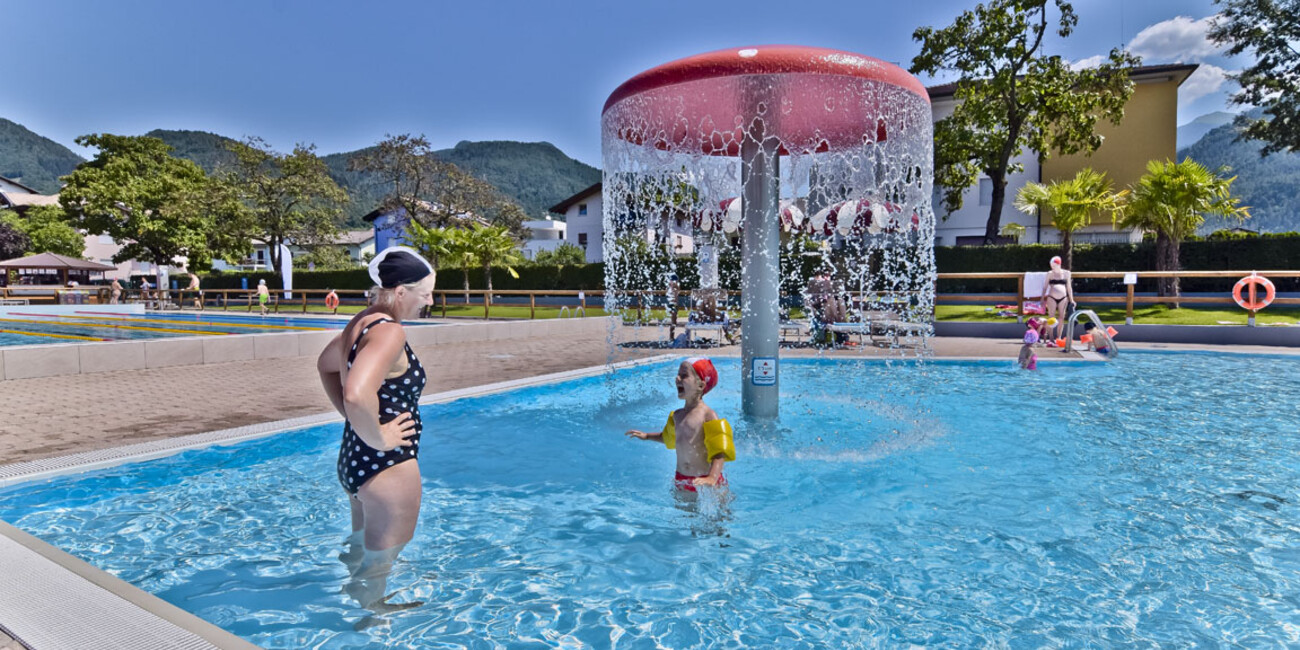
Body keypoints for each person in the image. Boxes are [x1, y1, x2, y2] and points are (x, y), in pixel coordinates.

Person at [316, 246, 435, 609]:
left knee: (362, 552)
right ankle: (372, 621)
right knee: (381, 561)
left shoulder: (361, 321)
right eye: (425, 292)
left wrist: (358, 425)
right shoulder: (390, 332)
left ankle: (357, 600)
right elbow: (355, 393)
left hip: (354, 460)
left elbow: (326, 366)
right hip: (386, 466)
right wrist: (379, 435)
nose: (429, 300)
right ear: (401, 292)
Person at [626, 357, 736, 491]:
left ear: (700, 385)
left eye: (684, 375)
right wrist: (647, 436)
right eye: (678, 375)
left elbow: (720, 452)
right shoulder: (677, 416)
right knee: (685, 512)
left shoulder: (708, 415)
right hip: (682, 479)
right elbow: (668, 438)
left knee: (721, 512)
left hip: (705, 478)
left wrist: (712, 477)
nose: (677, 378)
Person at [1044, 256, 1074, 343]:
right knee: (1051, 317)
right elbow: (1045, 287)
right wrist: (1042, 298)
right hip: (1051, 297)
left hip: (1063, 297)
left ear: (1058, 264)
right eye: (1051, 265)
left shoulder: (1067, 273)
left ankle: (1059, 336)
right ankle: (1051, 337)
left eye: (1053, 265)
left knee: (1061, 317)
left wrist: (1072, 300)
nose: (1052, 267)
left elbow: (1069, 287)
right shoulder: (1050, 273)